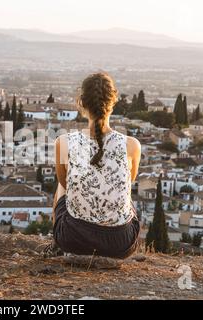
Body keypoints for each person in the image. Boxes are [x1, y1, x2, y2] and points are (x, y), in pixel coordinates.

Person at [48, 72, 141, 259]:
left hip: (73, 240)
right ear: (113, 102)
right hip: (120, 244)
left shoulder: (63, 142)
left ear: (81, 102)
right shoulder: (132, 145)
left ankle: (58, 246)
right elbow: (129, 182)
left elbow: (65, 186)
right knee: (125, 189)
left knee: (61, 184)